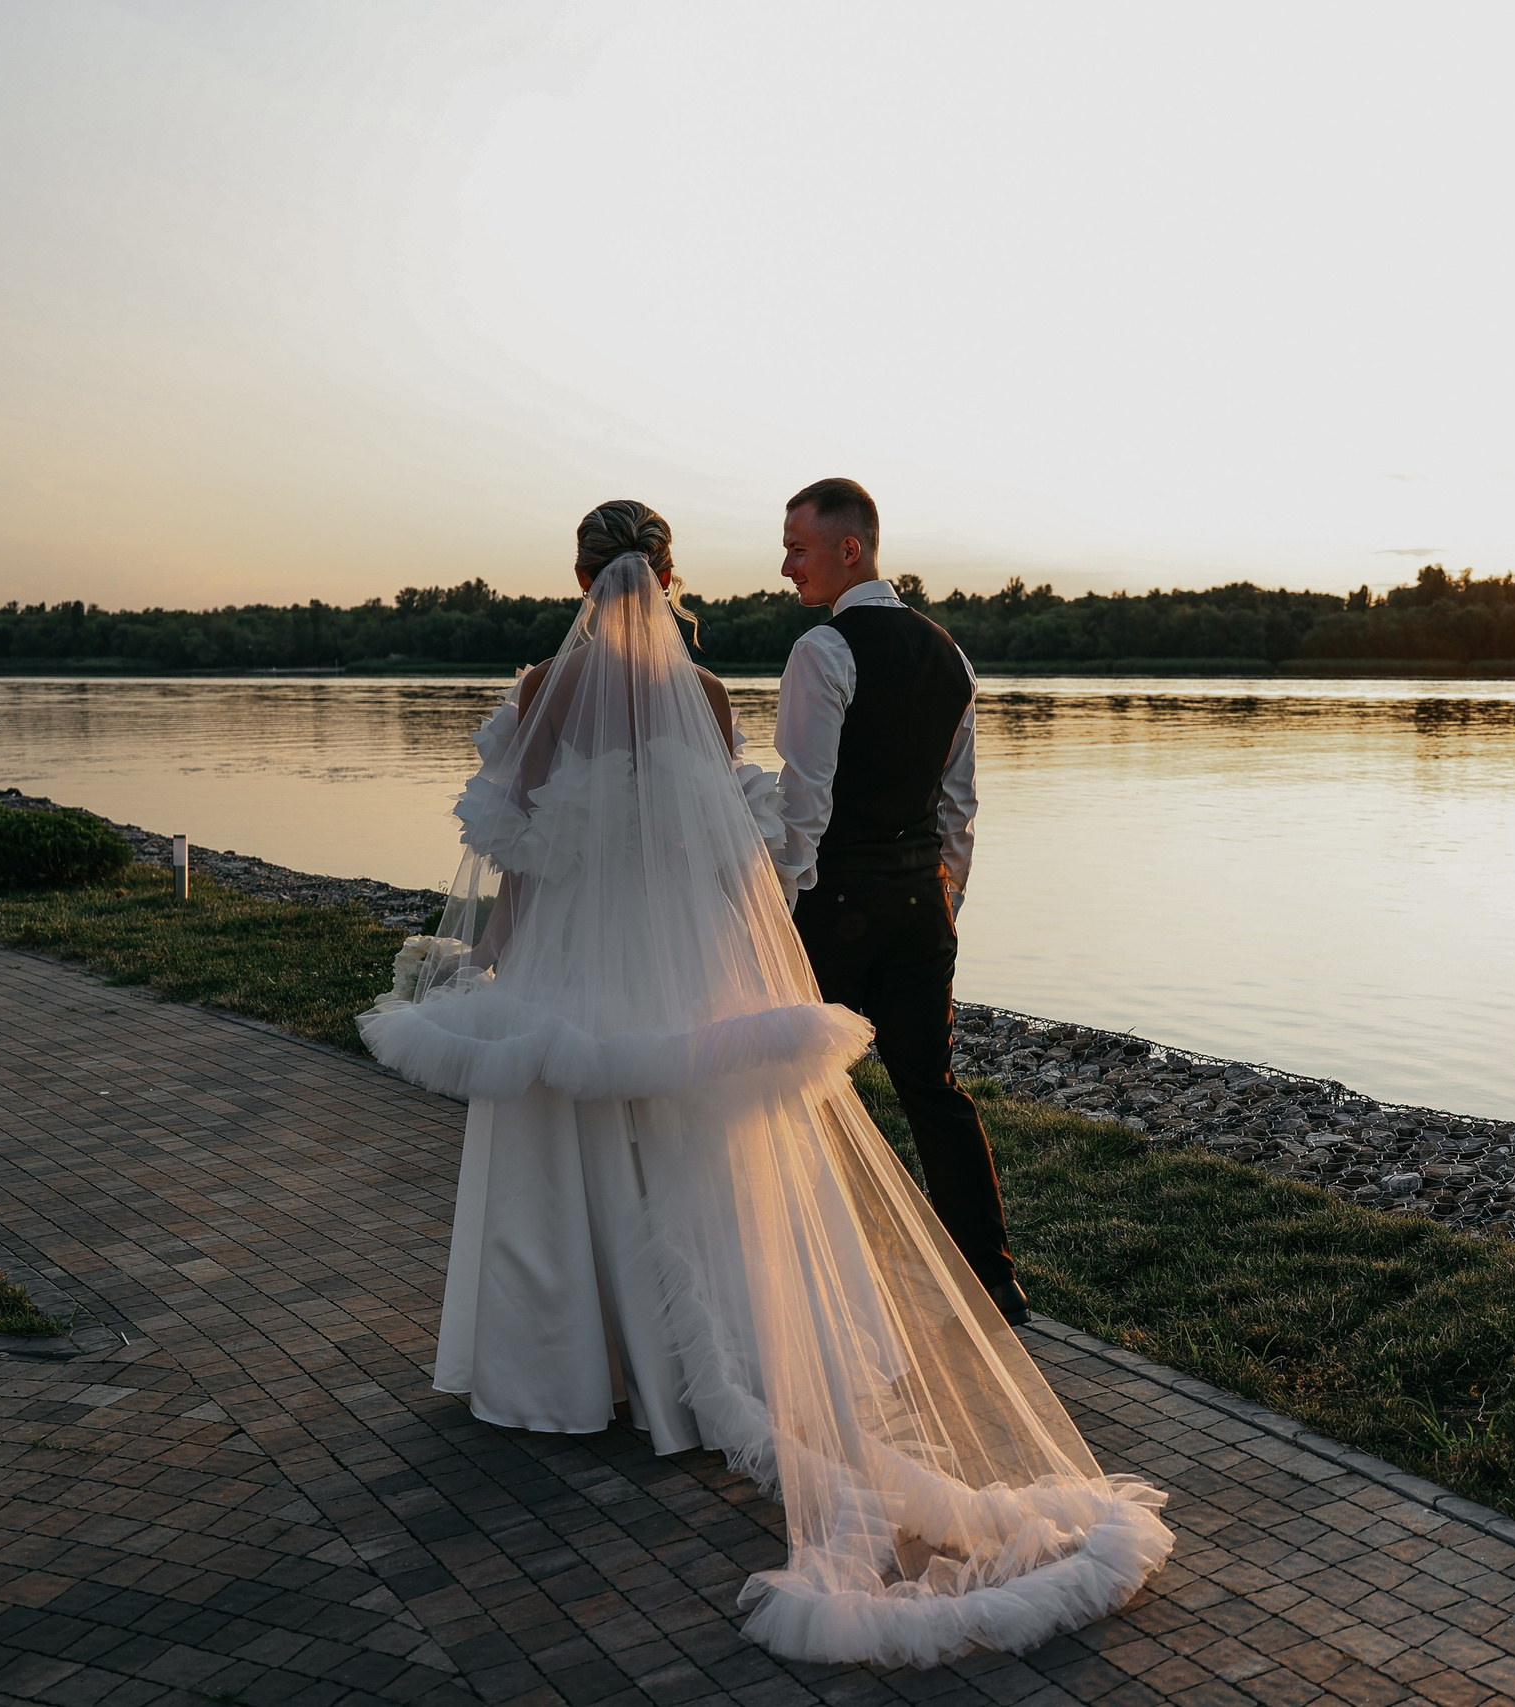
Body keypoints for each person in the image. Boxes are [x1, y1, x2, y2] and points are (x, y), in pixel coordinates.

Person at [358, 501, 1170, 1668]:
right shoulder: (707, 696)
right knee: (696, 1159)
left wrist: (496, 959)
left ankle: (567, 1377)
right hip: (682, 960)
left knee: (566, 1147)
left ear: (582, 577)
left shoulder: (542, 690)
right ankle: (691, 1379)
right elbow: (737, 855)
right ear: (671, 576)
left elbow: (518, 845)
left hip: (574, 957)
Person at [769, 478, 1027, 1326]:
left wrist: (775, 909)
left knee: (799, 1085)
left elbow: (803, 805)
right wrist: (944, 897)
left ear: (852, 548)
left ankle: (811, 1275)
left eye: (797, 547)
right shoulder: (950, 654)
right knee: (933, 1086)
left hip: (833, 905)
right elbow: (960, 807)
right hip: (922, 907)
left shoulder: (822, 650)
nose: (785, 565)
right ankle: (994, 1280)